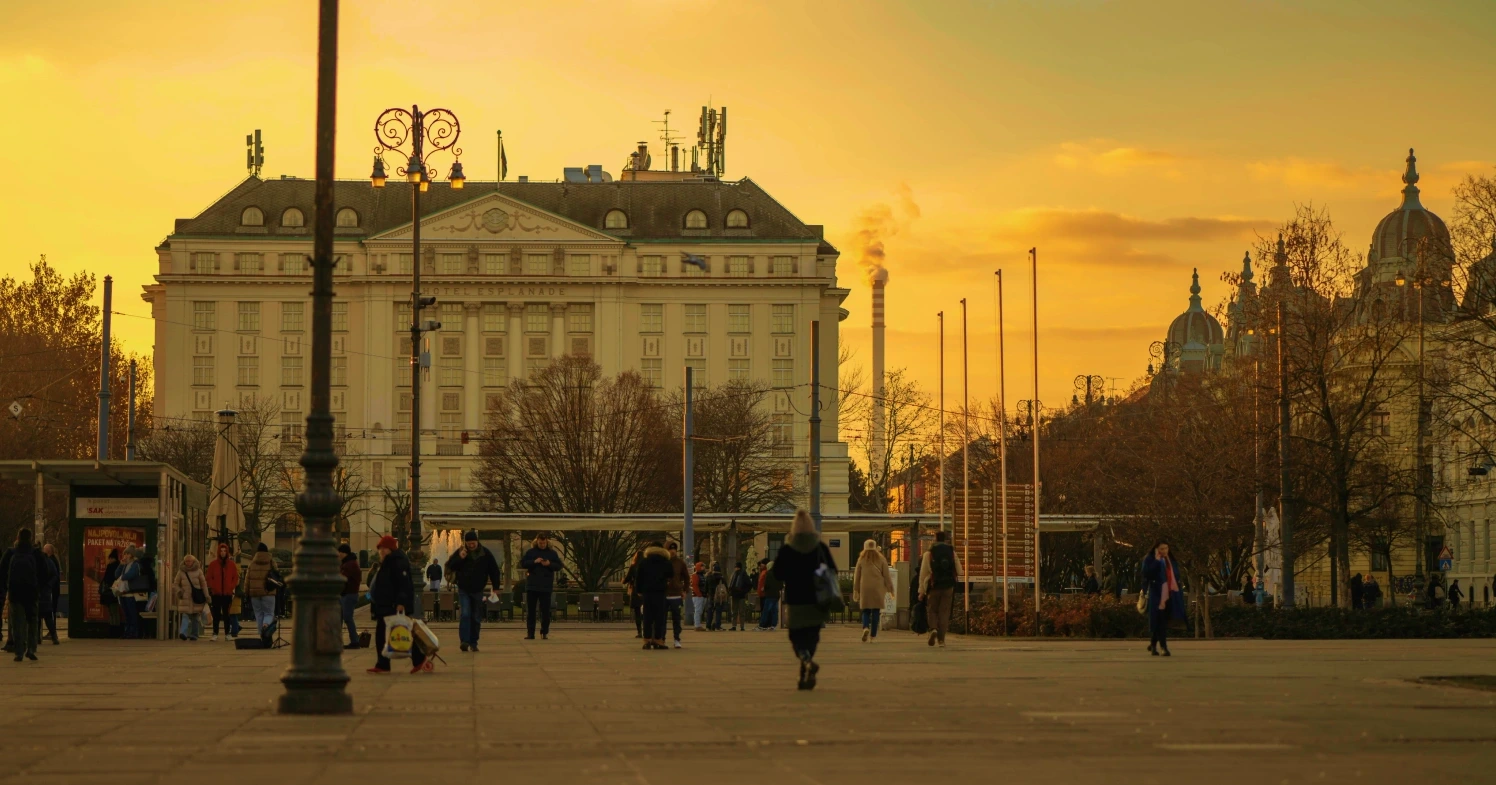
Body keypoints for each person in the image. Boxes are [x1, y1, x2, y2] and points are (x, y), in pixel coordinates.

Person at [772, 511, 837, 690]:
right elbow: (833, 570)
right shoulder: (820, 547)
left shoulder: (787, 549)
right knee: (812, 636)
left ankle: (806, 660)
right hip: (818, 600)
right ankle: (805, 671)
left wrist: (792, 575)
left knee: (796, 635)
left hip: (795, 599)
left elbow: (777, 573)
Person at [368, 535, 427, 674]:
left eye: (384, 548)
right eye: (380, 549)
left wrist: (401, 602)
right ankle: (384, 664)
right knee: (388, 633)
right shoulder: (389, 561)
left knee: (396, 632)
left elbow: (403, 584)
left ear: (390, 548)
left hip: (393, 604)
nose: (381, 551)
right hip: (386, 604)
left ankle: (416, 659)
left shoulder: (397, 562)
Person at [446, 529, 503, 652]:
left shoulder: (485, 554)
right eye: (469, 543)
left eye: (473, 543)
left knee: (476, 617)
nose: (471, 545)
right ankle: (464, 641)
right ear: (465, 543)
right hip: (464, 588)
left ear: (477, 542)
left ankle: (474, 642)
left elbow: (494, 571)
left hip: (478, 589)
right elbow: (450, 566)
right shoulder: (461, 552)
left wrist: (496, 587)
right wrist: (460, 559)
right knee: (465, 614)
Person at [1, 528, 45, 662]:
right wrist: (38, 588)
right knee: (32, 621)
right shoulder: (36, 553)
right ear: (31, 538)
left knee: (17, 623)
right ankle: (31, 649)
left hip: (15, 593)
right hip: (31, 593)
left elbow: (1, 572)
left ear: (18, 537)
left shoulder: (10, 552)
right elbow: (45, 573)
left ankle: (19, 651)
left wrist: (6, 589)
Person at [918, 530, 962, 648]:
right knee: (944, 612)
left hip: (933, 586)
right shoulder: (952, 552)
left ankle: (933, 629)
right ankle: (941, 640)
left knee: (932, 610)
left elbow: (923, 573)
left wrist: (921, 591)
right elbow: (960, 570)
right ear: (945, 539)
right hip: (948, 587)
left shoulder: (929, 553)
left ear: (935, 538)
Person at [1141, 541, 1186, 656]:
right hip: (1157, 593)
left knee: (1162, 620)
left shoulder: (1169, 560)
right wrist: (1156, 561)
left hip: (1171, 593)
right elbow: (1146, 574)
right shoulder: (1150, 559)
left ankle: (1152, 644)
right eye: (1162, 549)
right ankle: (1163, 647)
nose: (1164, 551)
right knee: (1160, 619)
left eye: (1166, 548)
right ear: (1156, 549)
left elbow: (1176, 574)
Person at [519, 532, 563, 640]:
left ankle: (544, 632)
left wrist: (549, 564)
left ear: (547, 541)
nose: (542, 545)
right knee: (531, 611)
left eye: (544, 543)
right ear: (537, 541)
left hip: (546, 586)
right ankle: (531, 633)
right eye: (540, 543)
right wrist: (534, 562)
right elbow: (523, 563)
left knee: (545, 611)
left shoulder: (552, 553)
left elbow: (559, 566)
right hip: (532, 585)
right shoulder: (531, 552)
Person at [852, 540, 893, 642]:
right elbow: (887, 576)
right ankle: (872, 636)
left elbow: (857, 576)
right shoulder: (881, 559)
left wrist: (856, 589)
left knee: (865, 610)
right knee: (875, 611)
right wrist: (890, 589)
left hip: (865, 587)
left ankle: (865, 627)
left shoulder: (861, 559)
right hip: (878, 588)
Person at [634, 541, 673, 650]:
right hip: (660, 592)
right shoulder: (666, 561)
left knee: (647, 616)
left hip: (647, 592)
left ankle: (647, 640)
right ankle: (658, 640)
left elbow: (639, 577)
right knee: (659, 617)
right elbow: (671, 575)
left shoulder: (644, 562)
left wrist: (639, 590)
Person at [245, 543, 281, 644]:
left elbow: (247, 581)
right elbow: (277, 576)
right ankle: (266, 626)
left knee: (258, 614)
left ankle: (262, 634)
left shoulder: (252, 564)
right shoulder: (271, 562)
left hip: (255, 594)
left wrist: (247, 592)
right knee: (269, 613)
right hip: (268, 592)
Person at [205, 541, 240, 641]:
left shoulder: (231, 565)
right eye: (221, 551)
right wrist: (213, 587)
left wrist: (230, 587)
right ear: (219, 552)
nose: (223, 553)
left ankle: (227, 633)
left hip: (227, 593)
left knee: (226, 615)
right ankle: (215, 633)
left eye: (225, 551)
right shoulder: (213, 564)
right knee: (216, 614)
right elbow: (209, 577)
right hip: (216, 593)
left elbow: (235, 577)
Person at [173, 554, 208, 641]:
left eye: (190, 561)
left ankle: (194, 634)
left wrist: (206, 596)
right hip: (185, 597)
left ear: (193, 561)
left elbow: (204, 584)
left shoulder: (199, 571)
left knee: (195, 617)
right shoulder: (181, 571)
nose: (188, 563)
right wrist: (179, 591)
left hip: (196, 597)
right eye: (186, 561)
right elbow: (176, 584)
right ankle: (183, 633)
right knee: (185, 615)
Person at [119, 548, 151, 639]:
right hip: (124, 593)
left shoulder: (135, 565)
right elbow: (116, 574)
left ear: (132, 555)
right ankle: (128, 631)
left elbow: (129, 575)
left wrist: (122, 577)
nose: (125, 556)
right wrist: (121, 565)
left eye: (127, 554)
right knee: (127, 615)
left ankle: (134, 632)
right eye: (124, 554)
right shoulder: (125, 565)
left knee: (132, 614)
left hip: (132, 593)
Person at [665, 542, 689, 648]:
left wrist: (685, 590)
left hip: (676, 595)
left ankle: (677, 639)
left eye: (674, 549)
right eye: (670, 549)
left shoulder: (680, 563)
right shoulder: (662, 562)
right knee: (662, 618)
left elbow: (687, 577)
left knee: (676, 618)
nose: (673, 551)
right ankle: (661, 638)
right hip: (664, 594)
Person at [338, 544, 361, 648]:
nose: (338, 554)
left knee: (347, 617)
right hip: (347, 594)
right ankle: (338, 641)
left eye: (340, 552)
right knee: (341, 617)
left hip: (349, 594)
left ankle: (355, 641)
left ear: (344, 553)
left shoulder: (349, 564)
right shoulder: (348, 563)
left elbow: (342, 578)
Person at [40, 543, 61, 645]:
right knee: (48, 615)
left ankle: (37, 638)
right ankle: (53, 635)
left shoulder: (45, 561)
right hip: (47, 592)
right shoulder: (50, 561)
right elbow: (55, 575)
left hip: (42, 592)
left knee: (38, 616)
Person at [100, 548, 123, 638]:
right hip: (115, 591)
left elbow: (106, 579)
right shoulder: (118, 566)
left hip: (109, 592)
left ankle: (112, 629)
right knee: (115, 611)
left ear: (112, 558)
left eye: (110, 558)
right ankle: (116, 629)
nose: (109, 560)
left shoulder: (110, 567)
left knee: (112, 611)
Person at [623, 547, 645, 638]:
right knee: (645, 611)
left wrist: (623, 581)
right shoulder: (645, 566)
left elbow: (628, 578)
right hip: (645, 591)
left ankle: (639, 631)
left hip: (636, 590)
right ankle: (646, 630)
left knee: (637, 612)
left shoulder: (633, 566)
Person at [756, 558, 782, 632]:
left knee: (766, 610)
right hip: (776, 595)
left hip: (770, 595)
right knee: (774, 611)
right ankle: (773, 625)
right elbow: (781, 586)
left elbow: (766, 584)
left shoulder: (769, 573)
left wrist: (764, 588)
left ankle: (762, 626)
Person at [727, 561, 751, 631]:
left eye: (736, 567)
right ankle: (738, 626)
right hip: (737, 595)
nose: (736, 568)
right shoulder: (735, 574)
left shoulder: (743, 575)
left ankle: (739, 626)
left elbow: (749, 584)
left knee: (739, 611)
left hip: (739, 595)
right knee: (738, 611)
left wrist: (744, 591)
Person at [705, 562, 726, 631]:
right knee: (718, 612)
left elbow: (706, 588)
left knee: (710, 611)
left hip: (711, 596)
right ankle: (717, 626)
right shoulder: (721, 578)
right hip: (719, 597)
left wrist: (707, 593)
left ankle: (708, 626)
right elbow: (726, 587)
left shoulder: (709, 577)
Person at [690, 561, 708, 632]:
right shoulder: (695, 575)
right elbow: (695, 586)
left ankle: (698, 625)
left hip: (701, 595)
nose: (704, 568)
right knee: (698, 611)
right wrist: (699, 594)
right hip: (698, 596)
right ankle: (697, 625)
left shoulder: (702, 575)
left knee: (699, 611)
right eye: (702, 566)